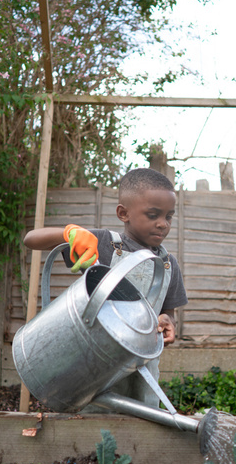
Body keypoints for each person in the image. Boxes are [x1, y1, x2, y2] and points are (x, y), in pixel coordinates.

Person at [24, 167, 187, 407]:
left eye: (168, 216)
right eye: (153, 215)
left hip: (142, 371)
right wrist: (70, 233)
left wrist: (167, 322)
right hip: (94, 366)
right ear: (123, 213)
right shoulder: (102, 244)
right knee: (92, 423)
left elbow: (168, 315)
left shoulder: (167, 264)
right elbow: (31, 239)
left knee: (140, 429)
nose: (163, 224)